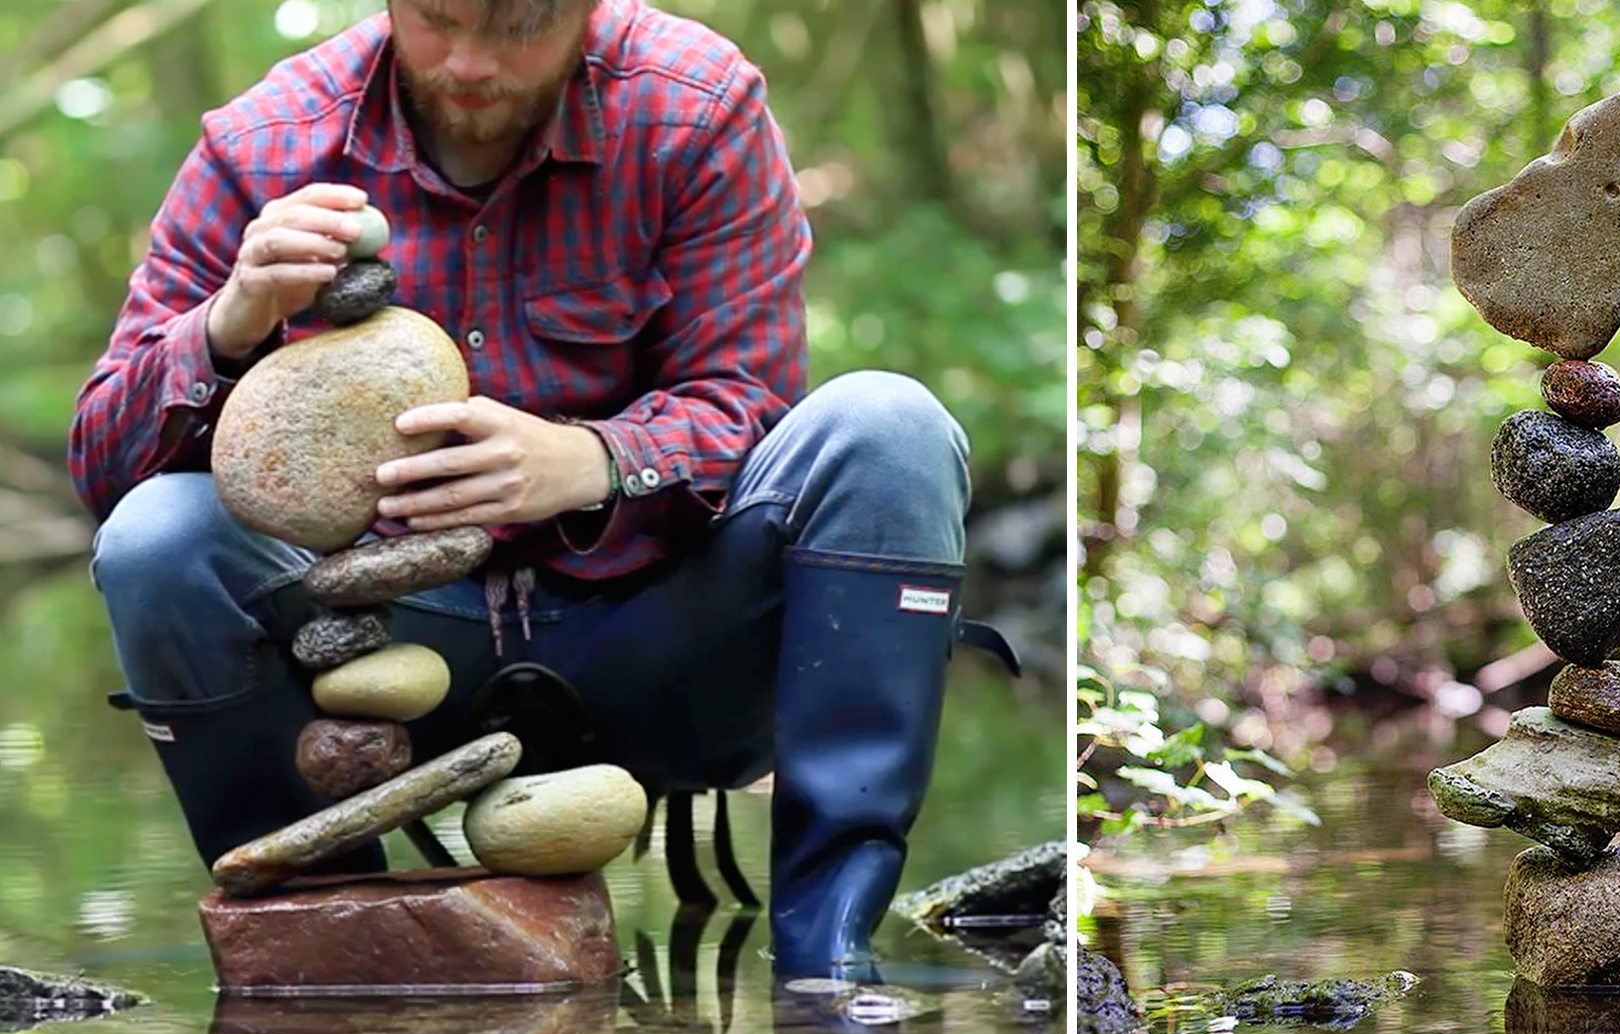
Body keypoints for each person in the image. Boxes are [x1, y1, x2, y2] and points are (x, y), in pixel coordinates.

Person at [68, 0, 1008, 982]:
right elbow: (102, 465)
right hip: (385, 666)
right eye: (437, 20)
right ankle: (321, 964)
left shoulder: (696, 107)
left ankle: (829, 969)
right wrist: (229, 319)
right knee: (156, 537)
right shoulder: (264, 141)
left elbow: (753, 403)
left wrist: (593, 463)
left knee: (890, 426)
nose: (470, 61)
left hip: (669, 642)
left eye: (518, 26)